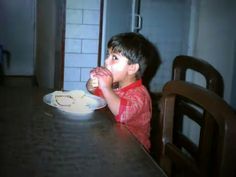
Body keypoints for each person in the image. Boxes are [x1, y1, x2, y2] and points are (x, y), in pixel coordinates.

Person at [86, 32, 160, 150]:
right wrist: (93, 84)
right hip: (113, 140)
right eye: (108, 55)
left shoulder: (140, 95)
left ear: (132, 68)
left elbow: (122, 113)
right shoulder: (115, 85)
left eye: (114, 58)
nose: (106, 61)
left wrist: (106, 87)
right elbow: (97, 94)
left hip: (134, 150)